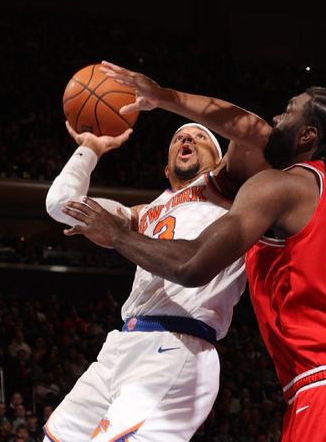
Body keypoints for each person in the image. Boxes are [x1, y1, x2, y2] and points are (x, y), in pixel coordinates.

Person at [61, 62, 326, 441]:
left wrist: (118, 235)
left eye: (289, 111)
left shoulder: (279, 188)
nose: (277, 117)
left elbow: (191, 264)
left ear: (307, 134)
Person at [43, 114, 261, 441]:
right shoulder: (145, 212)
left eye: (198, 138)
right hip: (122, 346)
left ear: (220, 161)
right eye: (178, 138)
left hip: (178, 344)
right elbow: (61, 204)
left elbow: (249, 131)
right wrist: (90, 148)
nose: (186, 141)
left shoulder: (224, 188)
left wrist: (165, 99)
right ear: (166, 169)